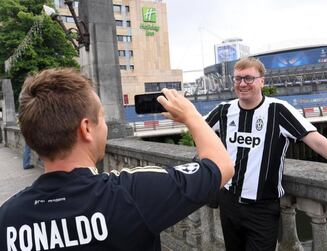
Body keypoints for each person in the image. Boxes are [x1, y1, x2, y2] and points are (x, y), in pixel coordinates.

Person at [0, 68, 234, 251]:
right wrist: (191, 115)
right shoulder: (132, 193)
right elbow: (220, 165)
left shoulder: (8, 217)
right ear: (86, 129)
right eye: (101, 118)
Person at [205, 57, 327, 251]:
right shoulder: (224, 110)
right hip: (228, 202)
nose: (242, 83)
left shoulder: (278, 110)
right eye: (238, 78)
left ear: (262, 81)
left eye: (249, 78)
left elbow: (318, 143)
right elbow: (195, 123)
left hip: (262, 207)